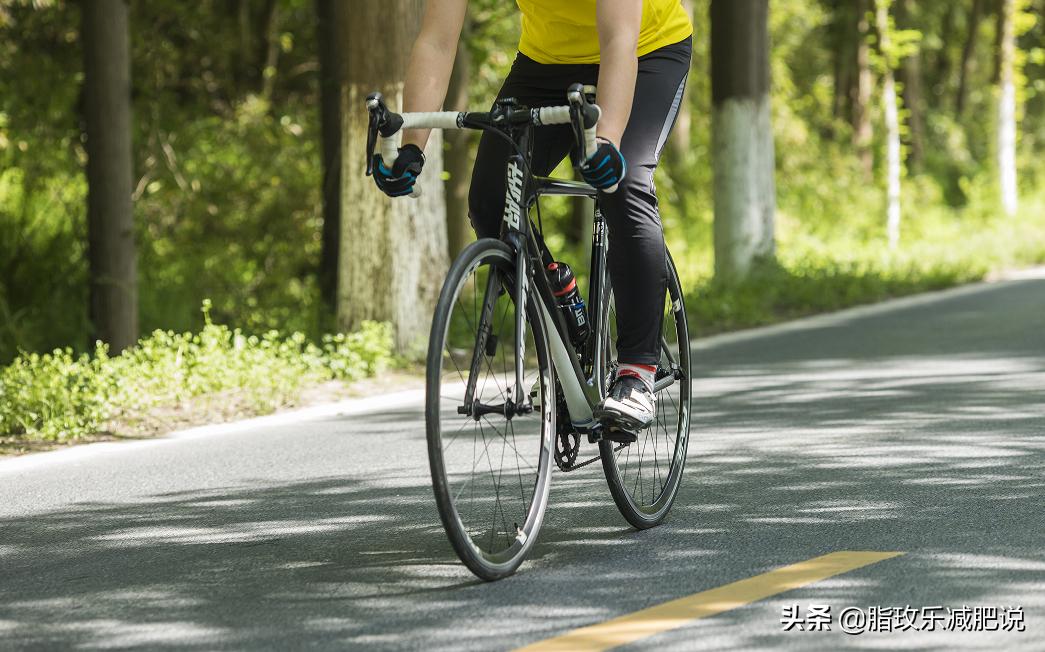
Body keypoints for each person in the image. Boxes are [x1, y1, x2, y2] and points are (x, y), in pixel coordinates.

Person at [371, 0, 692, 430]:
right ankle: (561, 319)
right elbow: (436, 41)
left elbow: (620, 40)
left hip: (646, 49)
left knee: (625, 182)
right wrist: (413, 146)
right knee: (491, 202)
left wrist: (607, 141)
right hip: (545, 64)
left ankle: (637, 372)